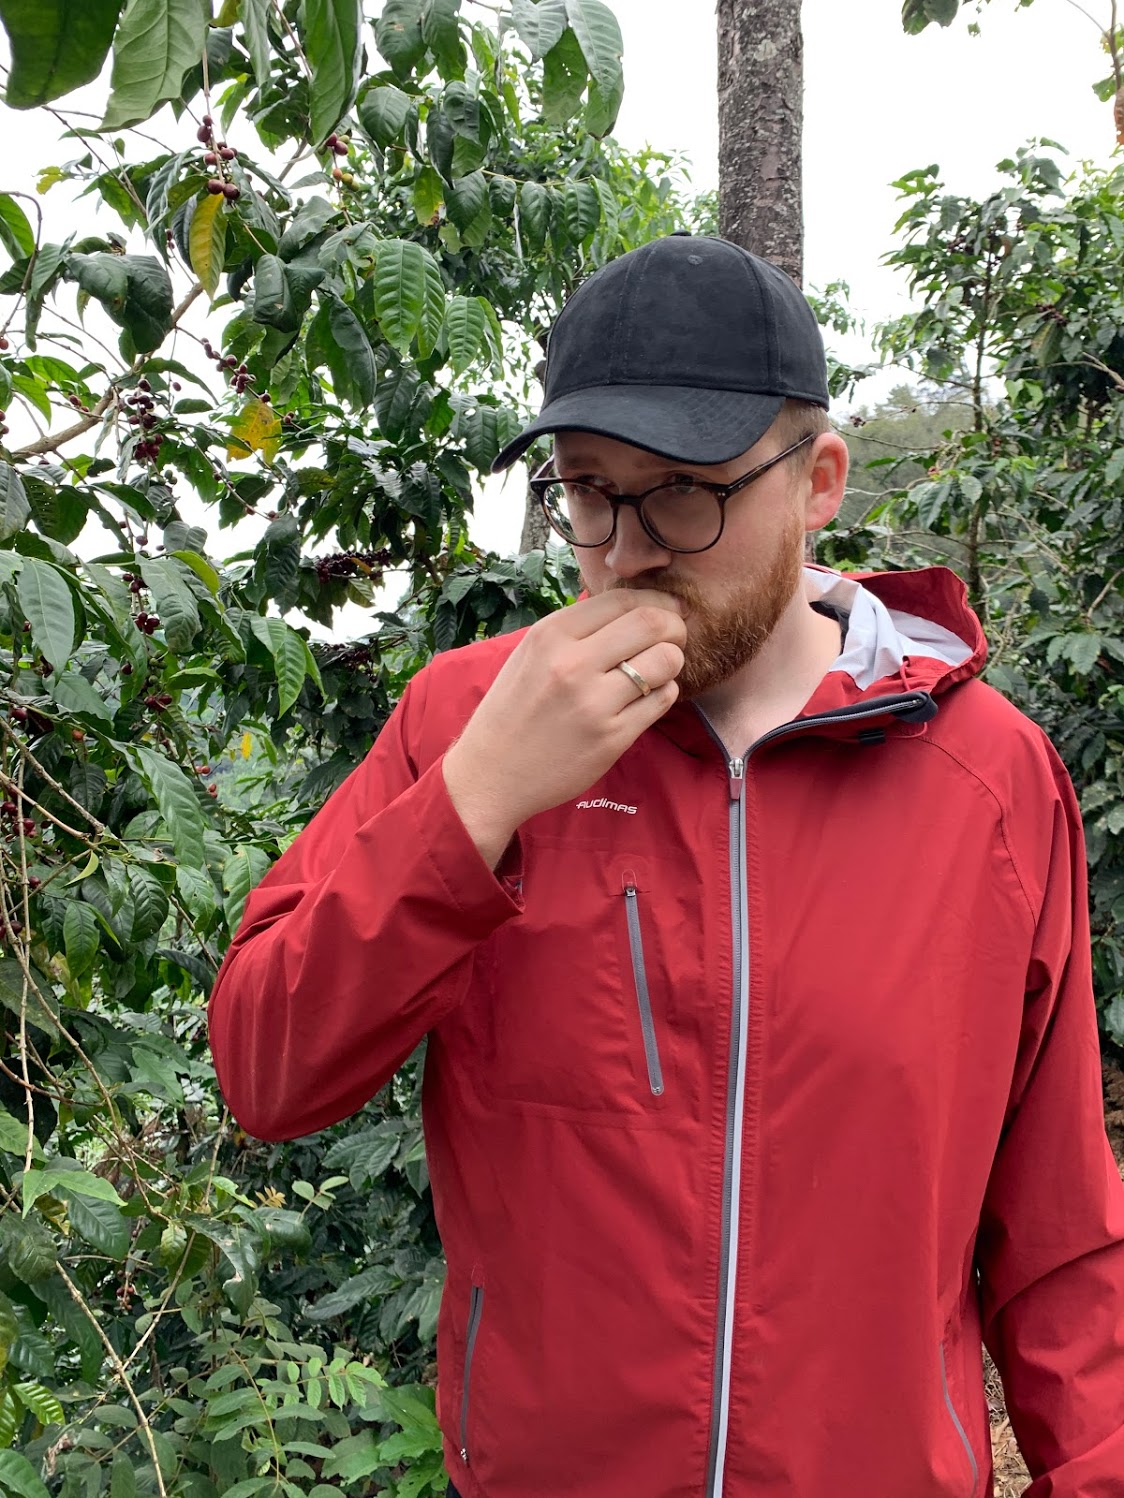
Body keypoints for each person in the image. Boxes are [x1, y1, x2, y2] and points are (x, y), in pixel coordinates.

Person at [208, 233, 1124, 1497]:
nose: (628, 549)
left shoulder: (989, 778)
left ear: (816, 485)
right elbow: (268, 1068)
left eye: (684, 491)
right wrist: (475, 802)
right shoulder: (468, 723)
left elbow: (1059, 1229)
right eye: (589, 490)